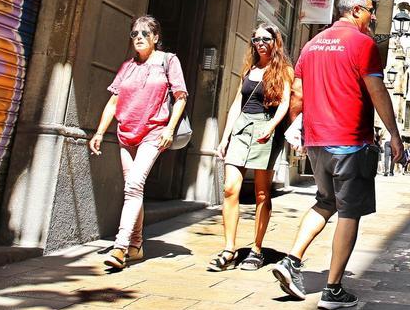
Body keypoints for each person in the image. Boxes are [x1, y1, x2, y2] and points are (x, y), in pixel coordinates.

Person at [271, 0, 402, 310]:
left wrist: (300, 130)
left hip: (317, 142)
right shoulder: (363, 43)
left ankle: (291, 260)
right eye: (370, 9)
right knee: (349, 212)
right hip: (350, 142)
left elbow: (298, 93)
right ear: (355, 10)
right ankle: (333, 289)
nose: (373, 16)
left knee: (325, 201)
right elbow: (377, 90)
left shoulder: (312, 44)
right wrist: (394, 134)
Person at [89, 16, 187, 270]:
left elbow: (180, 97)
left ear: (156, 37)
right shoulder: (128, 66)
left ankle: (120, 247)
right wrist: (99, 132)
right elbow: (113, 102)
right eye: (135, 34)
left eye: (145, 33)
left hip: (153, 132)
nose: (139, 37)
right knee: (134, 188)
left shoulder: (168, 61)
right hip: (126, 134)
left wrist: (170, 128)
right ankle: (136, 245)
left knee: (133, 185)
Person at [210, 24, 292, 272]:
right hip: (242, 129)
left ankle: (256, 250)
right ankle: (229, 249)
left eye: (265, 39)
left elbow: (285, 102)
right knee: (229, 189)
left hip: (266, 129)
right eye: (256, 39)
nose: (260, 43)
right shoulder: (249, 69)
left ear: (275, 41)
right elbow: (237, 103)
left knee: (262, 193)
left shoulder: (284, 70)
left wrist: (271, 127)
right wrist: (225, 137)